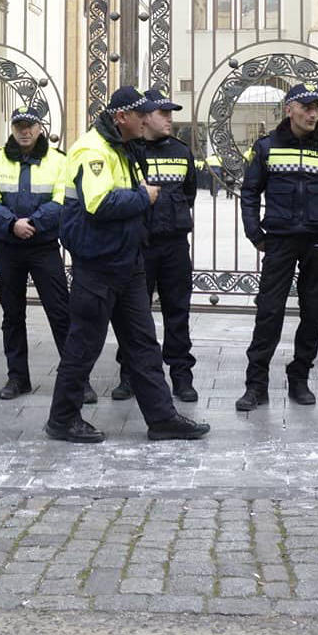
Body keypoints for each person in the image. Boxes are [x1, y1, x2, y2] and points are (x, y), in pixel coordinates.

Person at [45, 86, 210, 444]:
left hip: (127, 261)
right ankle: (62, 419)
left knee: (143, 344)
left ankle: (162, 418)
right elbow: (100, 203)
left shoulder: (122, 148)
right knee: (84, 345)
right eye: (141, 115)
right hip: (99, 264)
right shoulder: (93, 150)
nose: (147, 120)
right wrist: (144, 196)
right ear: (123, 117)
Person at [235, 83, 318, 412]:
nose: (312, 113)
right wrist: (254, 232)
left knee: (313, 312)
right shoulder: (267, 147)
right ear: (288, 109)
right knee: (269, 312)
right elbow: (249, 192)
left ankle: (300, 376)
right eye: (305, 107)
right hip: (279, 239)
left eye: (316, 107)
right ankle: (256, 384)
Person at [109, 87, 200, 404]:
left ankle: (181, 377)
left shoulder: (181, 151)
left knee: (178, 312)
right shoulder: (128, 152)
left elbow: (189, 194)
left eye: (171, 114)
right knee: (134, 314)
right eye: (163, 113)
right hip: (140, 246)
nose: (169, 120)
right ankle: (129, 376)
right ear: (145, 117)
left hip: (174, 244)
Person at [0, 108, 74, 401]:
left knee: (60, 313)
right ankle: (17, 378)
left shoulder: (58, 161)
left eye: (29, 126)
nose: (24, 131)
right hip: (8, 246)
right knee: (12, 315)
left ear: (39, 128)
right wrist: (11, 224)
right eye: (19, 126)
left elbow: (62, 199)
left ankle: (75, 380)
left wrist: (31, 224)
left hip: (43, 246)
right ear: (13, 128)